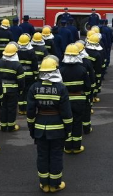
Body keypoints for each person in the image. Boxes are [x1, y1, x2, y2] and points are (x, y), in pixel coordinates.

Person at [27, 56, 72, 193]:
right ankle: (55, 184)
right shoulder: (61, 88)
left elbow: (30, 112)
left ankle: (44, 184)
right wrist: (68, 130)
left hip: (40, 127)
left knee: (42, 155)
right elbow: (66, 113)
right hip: (57, 128)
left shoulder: (34, 88)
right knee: (56, 155)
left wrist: (32, 129)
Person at [59, 44, 91, 154]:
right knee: (77, 122)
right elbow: (87, 86)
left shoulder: (61, 70)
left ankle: (67, 146)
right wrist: (87, 98)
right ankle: (76, 147)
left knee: (66, 123)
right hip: (79, 99)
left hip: (65, 100)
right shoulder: (82, 69)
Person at [0, 42, 25, 132]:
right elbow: (21, 80)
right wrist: (21, 90)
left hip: (1, 89)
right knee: (11, 108)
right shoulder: (17, 65)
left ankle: (3, 126)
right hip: (13, 90)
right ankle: (11, 126)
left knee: (3, 107)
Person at [17, 34, 38, 115]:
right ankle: (26, 109)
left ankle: (21, 109)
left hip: (20, 75)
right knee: (28, 92)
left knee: (21, 92)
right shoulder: (31, 51)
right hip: (29, 76)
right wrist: (36, 74)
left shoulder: (17, 51)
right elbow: (34, 65)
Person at [85, 33, 106, 99]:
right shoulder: (97, 54)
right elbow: (98, 67)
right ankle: (94, 96)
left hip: (84, 71)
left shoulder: (85, 50)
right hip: (93, 72)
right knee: (94, 84)